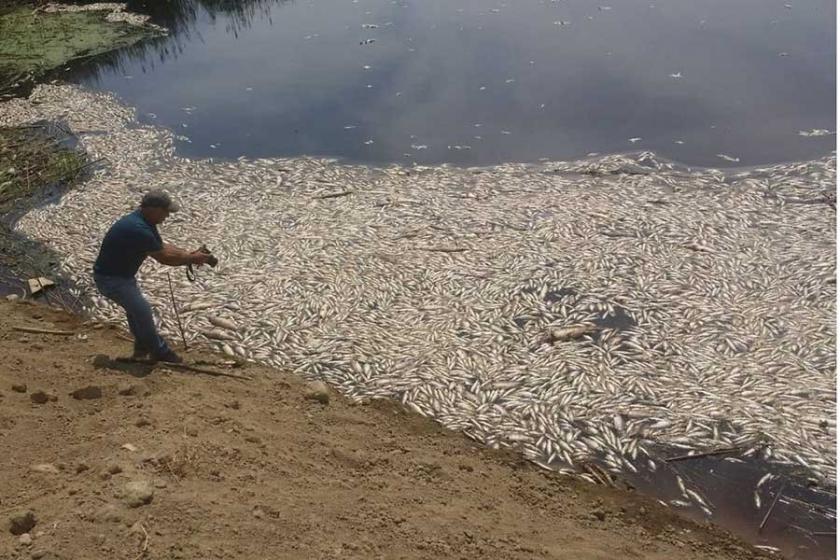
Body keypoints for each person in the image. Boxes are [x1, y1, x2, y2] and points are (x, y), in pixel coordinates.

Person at [93, 190, 212, 363]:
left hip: (122, 277)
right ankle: (161, 353)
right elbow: (164, 258)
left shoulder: (143, 221)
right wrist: (192, 259)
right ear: (154, 209)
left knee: (136, 313)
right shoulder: (138, 228)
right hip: (111, 280)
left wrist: (188, 254)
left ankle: (142, 349)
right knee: (143, 313)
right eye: (166, 212)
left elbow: (161, 247)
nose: (167, 216)